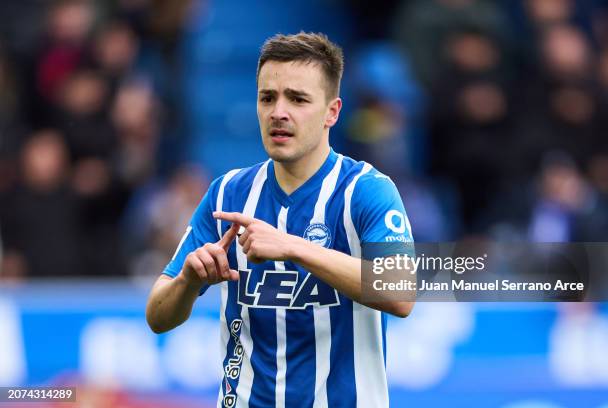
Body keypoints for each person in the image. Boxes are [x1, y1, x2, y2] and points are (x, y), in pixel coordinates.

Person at [146, 32, 414, 408]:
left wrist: (292, 246)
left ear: (332, 112)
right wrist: (188, 282)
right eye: (267, 97)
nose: (278, 112)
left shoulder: (366, 191)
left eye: (298, 99)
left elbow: (401, 291)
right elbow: (157, 316)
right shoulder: (227, 195)